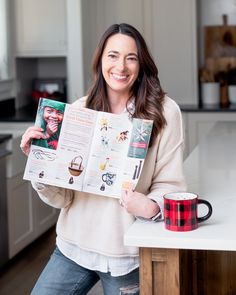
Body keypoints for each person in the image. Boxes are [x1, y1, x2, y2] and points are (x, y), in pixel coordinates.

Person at [20, 23, 186, 295]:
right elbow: (63, 197)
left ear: (141, 64)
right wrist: (40, 163)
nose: (121, 66)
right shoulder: (78, 110)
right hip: (73, 247)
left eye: (130, 58)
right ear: (100, 61)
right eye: (112, 56)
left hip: (125, 254)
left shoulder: (165, 112)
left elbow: (171, 184)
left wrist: (150, 206)